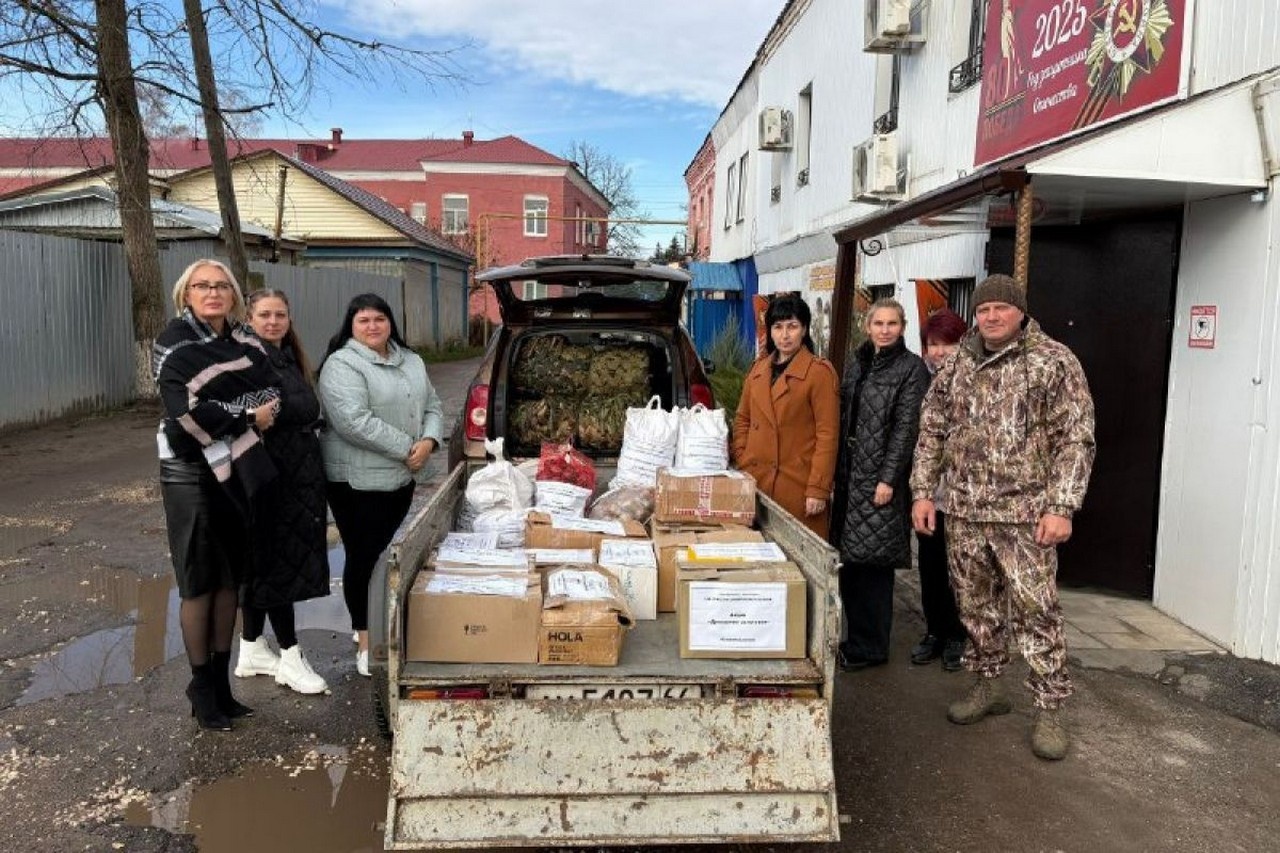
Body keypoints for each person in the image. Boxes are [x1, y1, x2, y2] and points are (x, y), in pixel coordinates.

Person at [910, 274, 1096, 761]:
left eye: (1001, 309)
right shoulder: (959, 364)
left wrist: (1062, 505)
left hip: (1025, 516)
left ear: (1020, 312)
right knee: (975, 608)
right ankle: (987, 686)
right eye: (984, 309)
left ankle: (1050, 708)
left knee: (1038, 612)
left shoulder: (1053, 360)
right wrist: (923, 493)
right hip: (966, 511)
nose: (991, 316)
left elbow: (1076, 438)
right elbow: (932, 429)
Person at [153, 259, 280, 731]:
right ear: (187, 293)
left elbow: (272, 391)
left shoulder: (245, 340)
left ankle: (224, 686)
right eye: (203, 286)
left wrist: (234, 411)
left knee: (231, 577)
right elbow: (183, 412)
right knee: (198, 579)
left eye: (222, 285)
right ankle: (201, 685)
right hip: (189, 470)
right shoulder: (173, 343)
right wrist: (246, 418)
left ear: (233, 294)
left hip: (239, 469)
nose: (213, 292)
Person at [318, 294, 444, 677]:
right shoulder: (342, 365)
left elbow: (433, 406)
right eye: (363, 321)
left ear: (391, 322)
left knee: (382, 553)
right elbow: (353, 422)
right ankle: (365, 639)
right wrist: (410, 448)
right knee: (364, 557)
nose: (372, 326)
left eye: (379, 319)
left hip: (400, 476)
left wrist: (430, 441)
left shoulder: (411, 360)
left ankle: (376, 622)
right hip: (357, 482)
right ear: (350, 326)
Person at [233, 289, 330, 695]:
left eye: (280, 315)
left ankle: (251, 646)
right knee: (275, 564)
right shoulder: (246, 361)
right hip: (268, 475)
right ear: (249, 318)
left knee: (265, 563)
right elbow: (253, 414)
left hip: (297, 473)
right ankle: (290, 655)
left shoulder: (289, 358)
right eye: (264, 315)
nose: (273, 322)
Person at [830, 297, 931, 671]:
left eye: (892, 323)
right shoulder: (858, 362)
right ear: (868, 326)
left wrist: (889, 478)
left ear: (902, 327)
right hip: (851, 476)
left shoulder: (911, 369)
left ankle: (870, 647)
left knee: (873, 567)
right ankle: (854, 639)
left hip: (878, 482)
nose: (885, 330)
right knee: (852, 563)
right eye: (878, 324)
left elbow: (907, 430)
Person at [732, 294, 840, 537]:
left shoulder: (818, 373)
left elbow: (828, 435)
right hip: (756, 481)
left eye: (792, 326)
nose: (785, 335)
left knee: (800, 565)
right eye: (778, 327)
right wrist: (743, 457)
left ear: (804, 330)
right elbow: (742, 419)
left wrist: (818, 488)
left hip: (798, 487)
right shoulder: (758, 370)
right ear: (770, 331)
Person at [910, 309, 970, 672]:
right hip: (929, 493)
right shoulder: (924, 382)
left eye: (947, 344)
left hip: (964, 497)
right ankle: (934, 631)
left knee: (959, 570)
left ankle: (957, 636)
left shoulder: (974, 382)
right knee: (930, 567)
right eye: (933, 345)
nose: (939, 352)